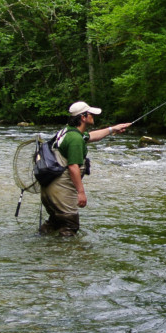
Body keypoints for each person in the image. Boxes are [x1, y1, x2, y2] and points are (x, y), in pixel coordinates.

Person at [39, 101, 132, 236]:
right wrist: (81, 192)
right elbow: (73, 167)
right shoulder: (75, 139)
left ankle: (42, 250)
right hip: (61, 191)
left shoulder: (67, 132)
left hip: (48, 190)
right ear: (83, 117)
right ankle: (67, 256)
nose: (93, 116)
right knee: (70, 226)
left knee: (55, 223)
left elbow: (92, 136)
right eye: (90, 114)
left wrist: (113, 129)